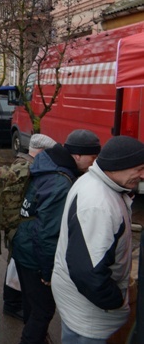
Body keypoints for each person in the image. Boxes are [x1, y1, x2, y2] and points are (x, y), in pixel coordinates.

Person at [52, 136, 144, 343]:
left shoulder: (93, 182)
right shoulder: (98, 205)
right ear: (116, 166)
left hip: (79, 304)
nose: (143, 175)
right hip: (90, 313)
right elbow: (88, 273)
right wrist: (117, 300)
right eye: (138, 168)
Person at [11, 130, 99, 344]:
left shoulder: (47, 161)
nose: (94, 163)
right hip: (34, 254)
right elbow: (48, 232)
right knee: (43, 311)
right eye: (92, 158)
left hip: (22, 244)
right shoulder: (60, 181)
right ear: (77, 156)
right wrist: (48, 271)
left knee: (32, 306)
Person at [0, 133, 57, 321]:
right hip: (21, 226)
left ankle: (11, 303)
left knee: (14, 265)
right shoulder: (31, 169)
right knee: (16, 267)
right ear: (42, 152)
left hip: (13, 224)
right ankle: (12, 304)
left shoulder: (19, 163)